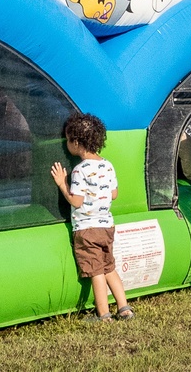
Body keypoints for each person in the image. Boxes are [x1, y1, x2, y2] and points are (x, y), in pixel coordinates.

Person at [50, 112, 134, 321]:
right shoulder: (107, 165)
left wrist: (62, 183)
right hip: (106, 227)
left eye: (68, 140)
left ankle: (103, 314)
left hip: (87, 229)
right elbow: (114, 194)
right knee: (109, 268)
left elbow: (76, 201)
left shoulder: (79, 171)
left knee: (96, 271)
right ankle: (124, 308)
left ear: (76, 143)